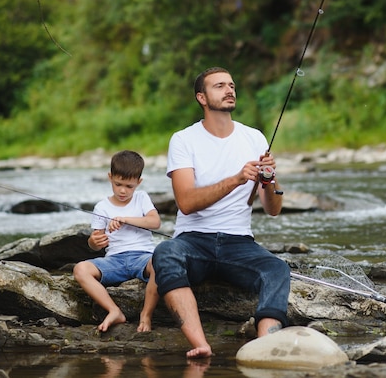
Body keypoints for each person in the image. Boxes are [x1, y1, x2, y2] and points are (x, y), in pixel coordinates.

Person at [152, 66, 291, 358]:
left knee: (277, 269)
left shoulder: (254, 137)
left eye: (231, 85)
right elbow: (186, 202)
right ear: (201, 97)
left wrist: (270, 180)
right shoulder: (183, 139)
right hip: (193, 240)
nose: (229, 90)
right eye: (219, 86)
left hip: (239, 243)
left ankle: (266, 344)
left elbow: (273, 209)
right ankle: (200, 344)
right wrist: (237, 179)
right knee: (165, 253)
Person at [73, 150, 161, 333]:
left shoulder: (141, 198)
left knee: (162, 263)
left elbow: (155, 222)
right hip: (114, 261)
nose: (122, 190)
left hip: (143, 257)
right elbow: (95, 243)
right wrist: (94, 241)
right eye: (118, 184)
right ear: (110, 177)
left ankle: (146, 315)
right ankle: (114, 311)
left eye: (129, 186)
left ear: (139, 182)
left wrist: (125, 219)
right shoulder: (102, 207)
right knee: (80, 269)